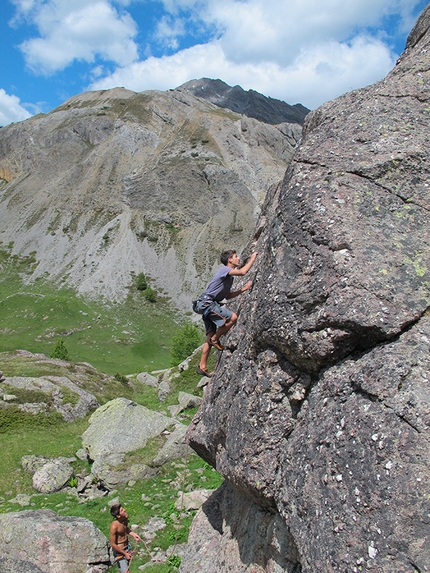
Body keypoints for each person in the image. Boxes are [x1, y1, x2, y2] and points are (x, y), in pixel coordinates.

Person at [196, 249, 258, 377]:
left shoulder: (229, 278)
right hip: (208, 303)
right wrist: (252, 259)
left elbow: (228, 296)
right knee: (233, 318)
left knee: (209, 337)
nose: (238, 258)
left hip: (205, 304)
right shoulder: (224, 270)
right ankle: (216, 339)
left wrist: (243, 289)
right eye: (236, 257)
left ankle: (202, 366)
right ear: (229, 260)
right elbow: (243, 271)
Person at [109, 503, 142, 573]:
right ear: (118, 516)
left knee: (126, 569)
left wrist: (133, 534)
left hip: (127, 547)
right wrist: (125, 554)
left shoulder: (125, 518)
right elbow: (113, 544)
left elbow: (125, 529)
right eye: (122, 510)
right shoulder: (114, 526)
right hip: (119, 551)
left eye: (123, 508)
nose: (124, 510)